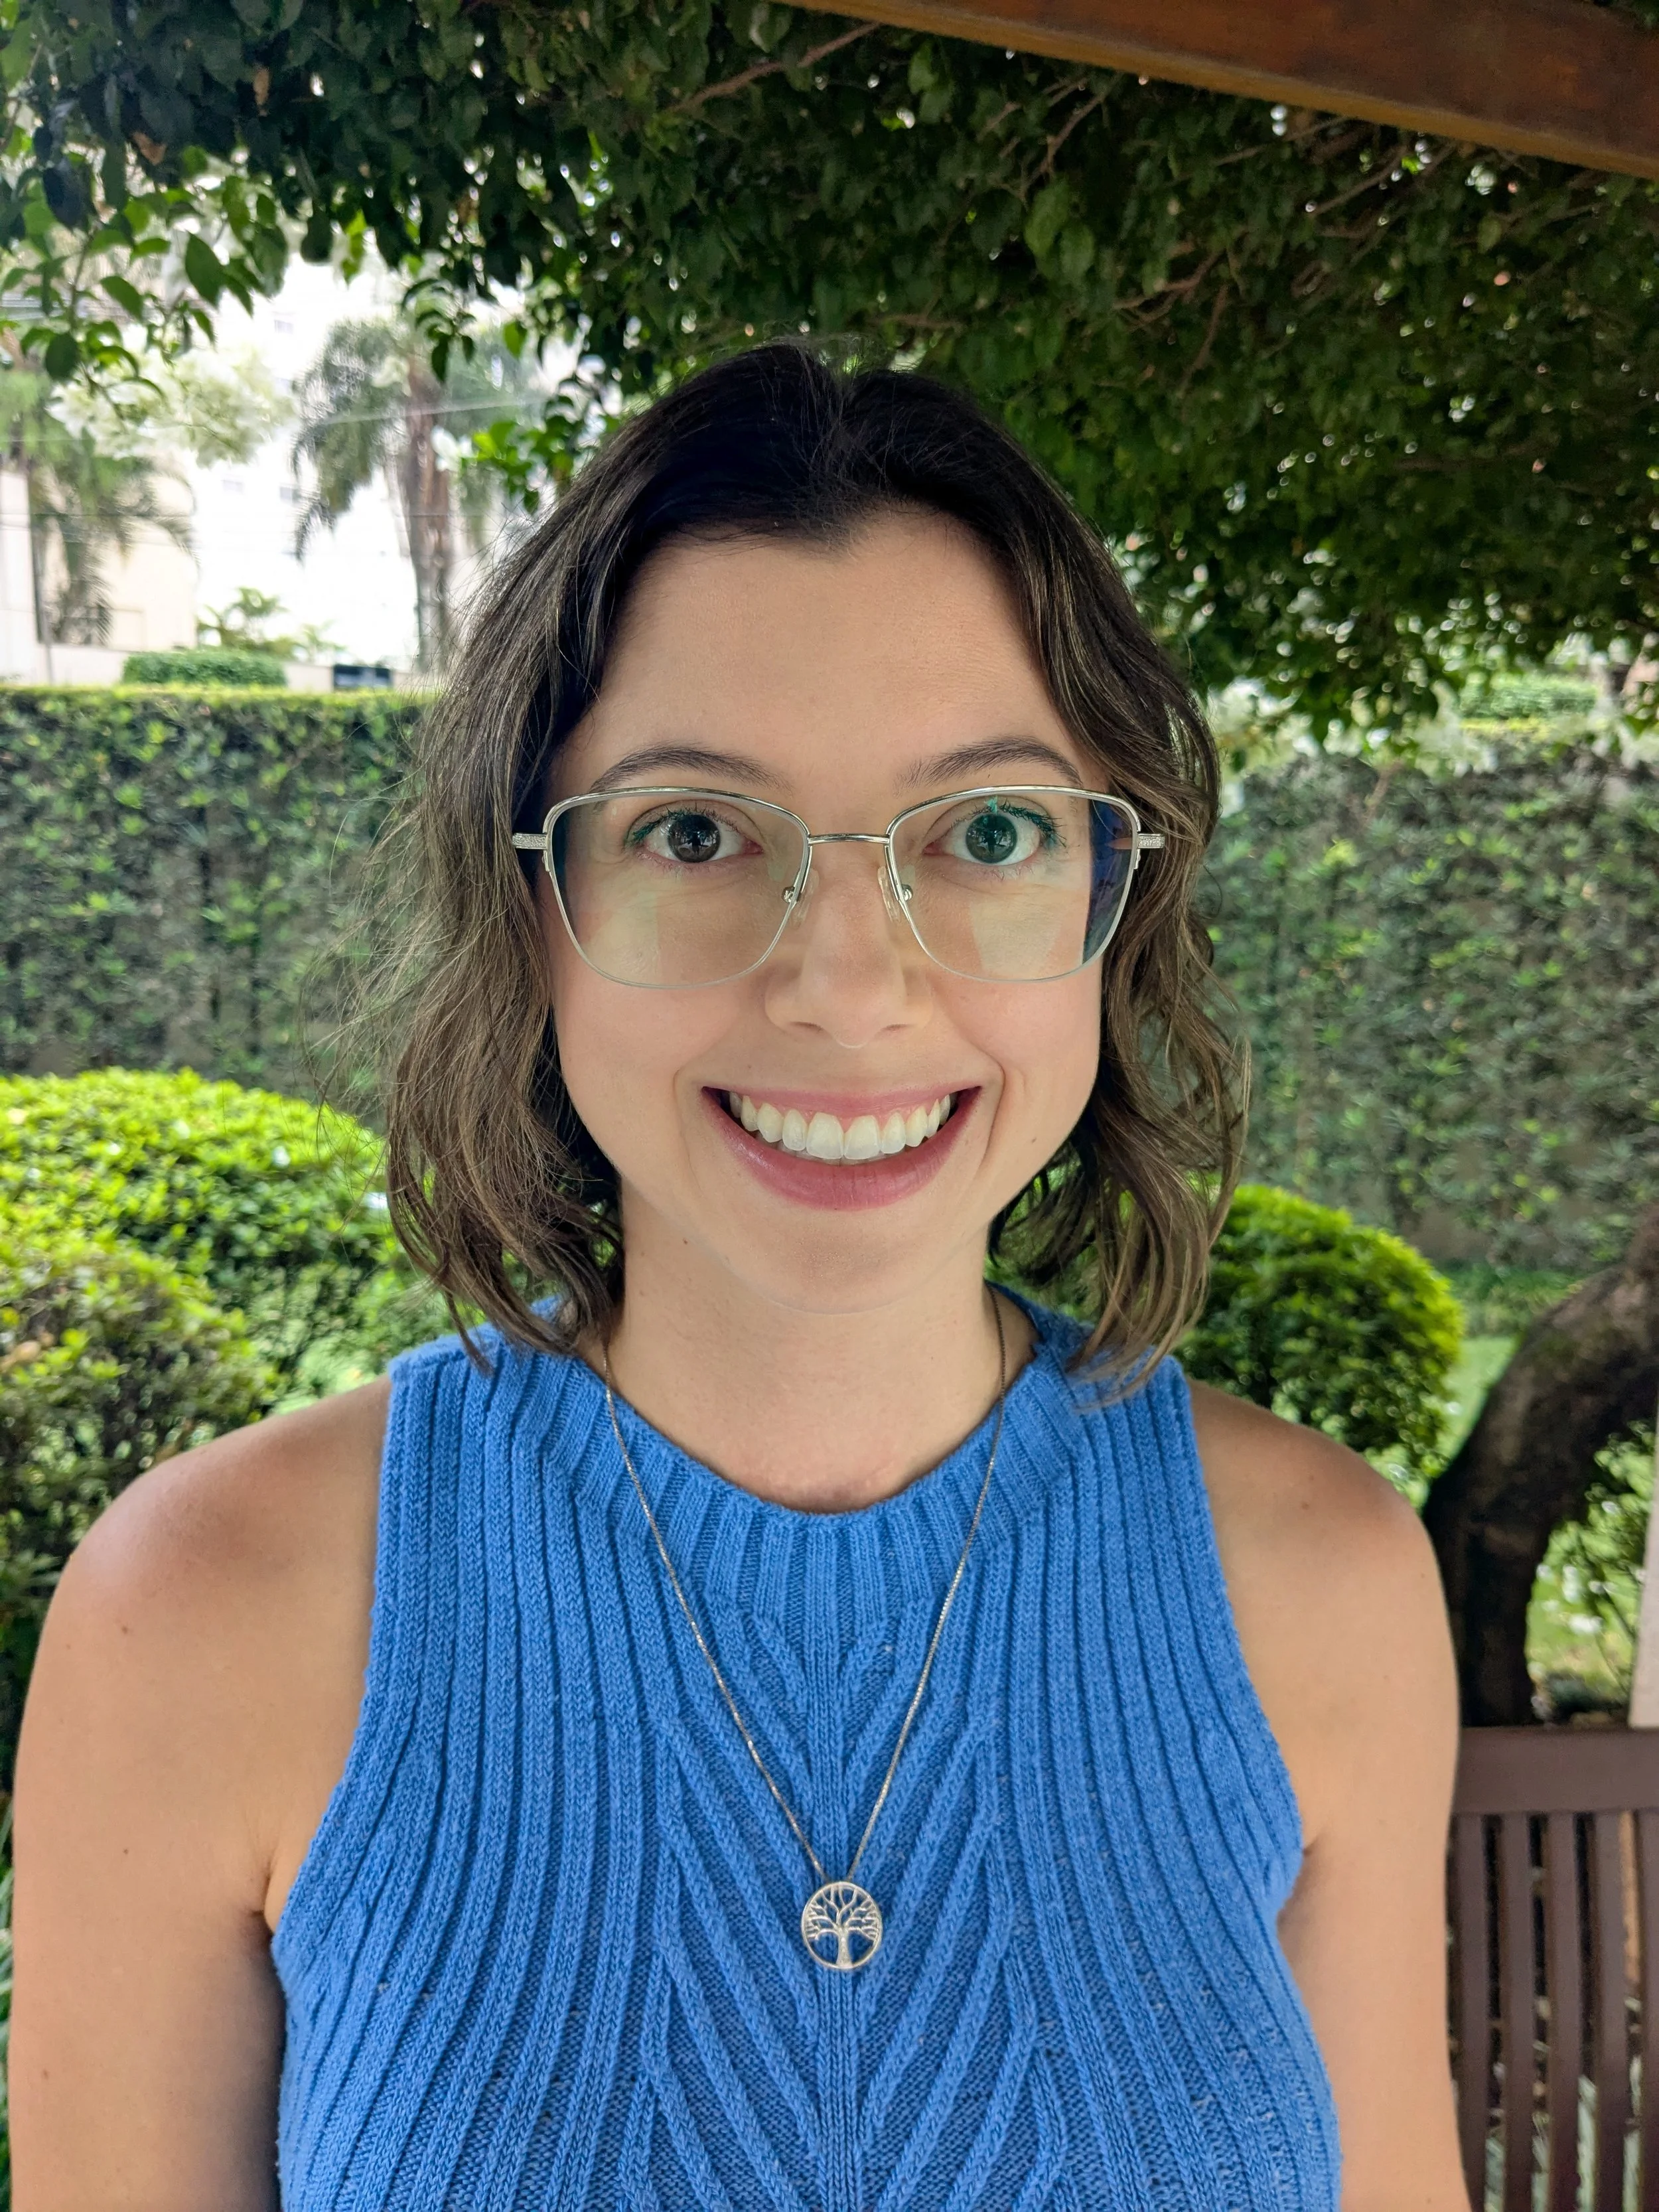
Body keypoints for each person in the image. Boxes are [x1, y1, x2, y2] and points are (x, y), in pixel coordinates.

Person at [11, 344, 1465, 2210]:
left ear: (1114, 905)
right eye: (694, 832)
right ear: (531, 910)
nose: (849, 987)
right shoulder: (200, 1611)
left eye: (990, 831)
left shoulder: (1328, 1588)